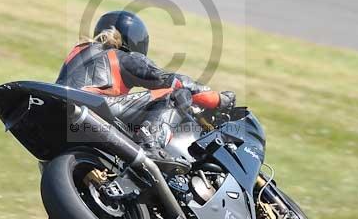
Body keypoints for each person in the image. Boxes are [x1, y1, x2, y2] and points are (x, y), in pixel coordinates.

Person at [56, 10, 235, 157]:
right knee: (176, 94)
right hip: (93, 107)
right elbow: (175, 82)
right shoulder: (121, 57)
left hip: (60, 114)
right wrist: (218, 100)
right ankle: (151, 145)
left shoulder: (79, 52)